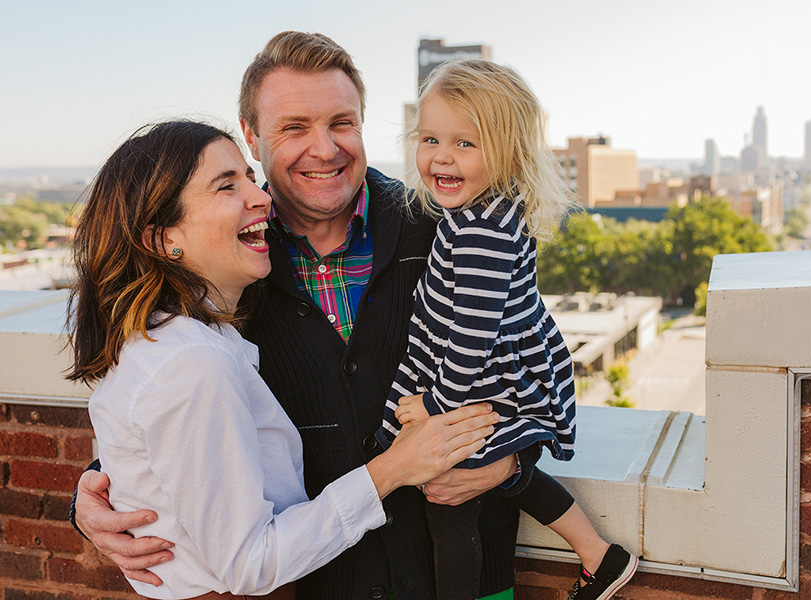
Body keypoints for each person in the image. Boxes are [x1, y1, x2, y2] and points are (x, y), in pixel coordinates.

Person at [72, 32, 536, 600]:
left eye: (342, 122)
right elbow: (182, 415)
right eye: (294, 128)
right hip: (319, 583)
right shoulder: (230, 259)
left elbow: (529, 356)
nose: (324, 149)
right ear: (252, 137)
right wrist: (94, 497)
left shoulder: (444, 226)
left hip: (459, 573)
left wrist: (512, 463)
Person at [375, 59, 638, 600]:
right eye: (430, 138)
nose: (442, 156)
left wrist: (436, 405)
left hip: (479, 383)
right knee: (503, 481)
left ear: (508, 152)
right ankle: (599, 555)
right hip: (496, 379)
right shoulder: (489, 211)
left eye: (465, 144)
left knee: (449, 505)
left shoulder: (478, 230)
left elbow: (471, 336)